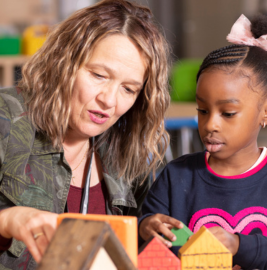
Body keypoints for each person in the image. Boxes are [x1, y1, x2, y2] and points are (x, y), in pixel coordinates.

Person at [0, 0, 171, 268]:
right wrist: (7, 220)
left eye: (129, 89)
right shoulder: (6, 117)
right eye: (99, 75)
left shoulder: (129, 150)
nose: (109, 100)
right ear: (64, 61)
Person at [138, 14, 267, 270]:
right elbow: (146, 253)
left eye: (228, 113)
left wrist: (238, 245)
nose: (211, 124)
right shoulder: (175, 177)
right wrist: (146, 228)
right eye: (202, 110)